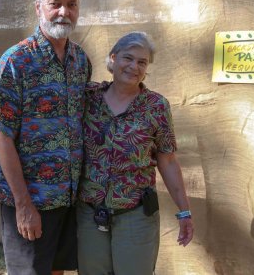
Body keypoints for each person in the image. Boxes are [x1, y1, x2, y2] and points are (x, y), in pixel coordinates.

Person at [0, 0, 91, 275]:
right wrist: (23, 205)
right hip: (31, 196)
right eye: (55, 4)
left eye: (71, 5)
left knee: (57, 269)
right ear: (38, 8)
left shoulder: (80, 60)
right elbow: (2, 136)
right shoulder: (16, 60)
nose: (63, 12)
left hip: (66, 195)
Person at [77, 31, 194, 275]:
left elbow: (168, 160)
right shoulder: (89, 98)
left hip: (135, 216)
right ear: (113, 59)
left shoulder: (156, 106)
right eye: (127, 58)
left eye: (142, 62)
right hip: (89, 214)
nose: (134, 66)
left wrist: (184, 210)